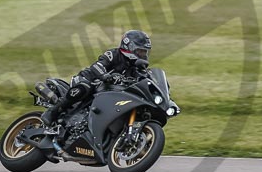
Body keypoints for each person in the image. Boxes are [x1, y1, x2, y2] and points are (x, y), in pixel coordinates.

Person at [41, 29, 180, 130]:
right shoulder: (114, 54)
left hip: (108, 93)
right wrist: (105, 76)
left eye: (145, 52)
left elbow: (148, 82)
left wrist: (167, 100)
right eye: (140, 51)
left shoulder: (137, 68)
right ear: (129, 47)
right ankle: (53, 111)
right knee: (86, 87)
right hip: (90, 81)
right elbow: (97, 66)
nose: (143, 55)